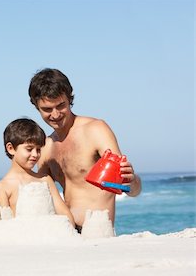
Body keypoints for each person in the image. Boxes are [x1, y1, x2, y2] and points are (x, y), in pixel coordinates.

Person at [28, 68, 142, 233]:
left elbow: (132, 190)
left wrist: (131, 180)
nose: (55, 114)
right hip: (64, 232)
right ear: (36, 106)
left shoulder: (95, 130)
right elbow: (40, 196)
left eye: (61, 106)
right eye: (47, 109)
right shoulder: (45, 147)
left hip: (96, 231)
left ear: (69, 98)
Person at [0, 118, 75, 226]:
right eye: (29, 149)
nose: (35, 154)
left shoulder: (45, 180)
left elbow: (65, 215)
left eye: (38, 149)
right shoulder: (2, 187)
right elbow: (4, 226)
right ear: (11, 148)